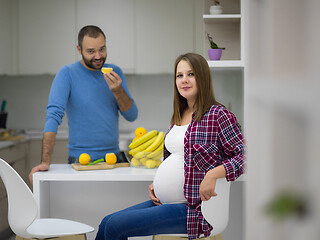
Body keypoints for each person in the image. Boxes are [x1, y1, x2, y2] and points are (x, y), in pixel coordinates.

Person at [95, 53, 245, 240]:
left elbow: (244, 156)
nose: (184, 80)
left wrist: (212, 174)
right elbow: (177, 161)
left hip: (194, 210)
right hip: (165, 202)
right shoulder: (178, 116)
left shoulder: (218, 115)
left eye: (191, 74)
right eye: (179, 75)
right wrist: (157, 185)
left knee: (115, 227)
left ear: (203, 77)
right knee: (107, 222)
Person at [29, 25, 138, 183]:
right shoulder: (67, 74)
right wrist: (45, 161)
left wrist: (117, 90)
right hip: (80, 161)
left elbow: (132, 115)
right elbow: (53, 116)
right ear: (79, 49)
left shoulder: (115, 72)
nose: (98, 56)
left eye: (102, 49)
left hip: (113, 161)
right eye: (91, 51)